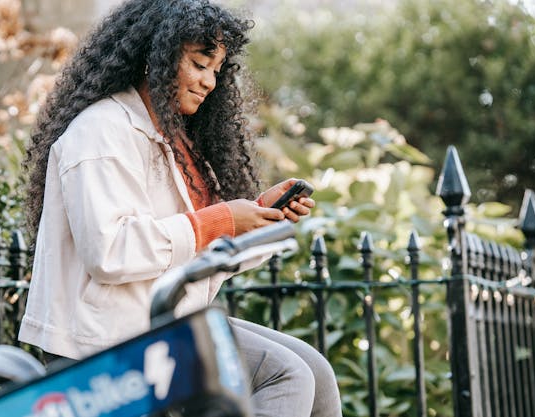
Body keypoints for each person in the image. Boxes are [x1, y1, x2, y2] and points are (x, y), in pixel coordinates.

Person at [18, 1, 341, 416]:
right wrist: (220, 221)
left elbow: (195, 254)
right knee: (287, 374)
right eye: (199, 63)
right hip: (103, 343)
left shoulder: (176, 143)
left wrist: (259, 218)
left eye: (216, 71)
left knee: (316, 368)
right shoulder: (100, 131)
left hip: (160, 323)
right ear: (158, 54)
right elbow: (109, 251)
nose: (209, 81)